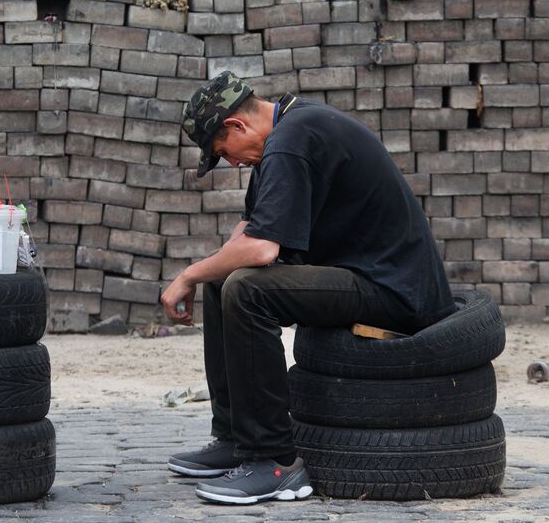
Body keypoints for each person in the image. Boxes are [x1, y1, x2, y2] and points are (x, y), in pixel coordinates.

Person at [160, 71, 455, 505]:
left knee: (245, 288)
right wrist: (208, 270)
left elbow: (261, 251)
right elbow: (248, 235)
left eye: (224, 153)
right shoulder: (282, 135)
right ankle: (236, 439)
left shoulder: (292, 139)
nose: (233, 164)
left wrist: (186, 274)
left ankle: (274, 463)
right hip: (358, 276)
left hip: (395, 290)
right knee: (223, 279)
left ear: (236, 126)